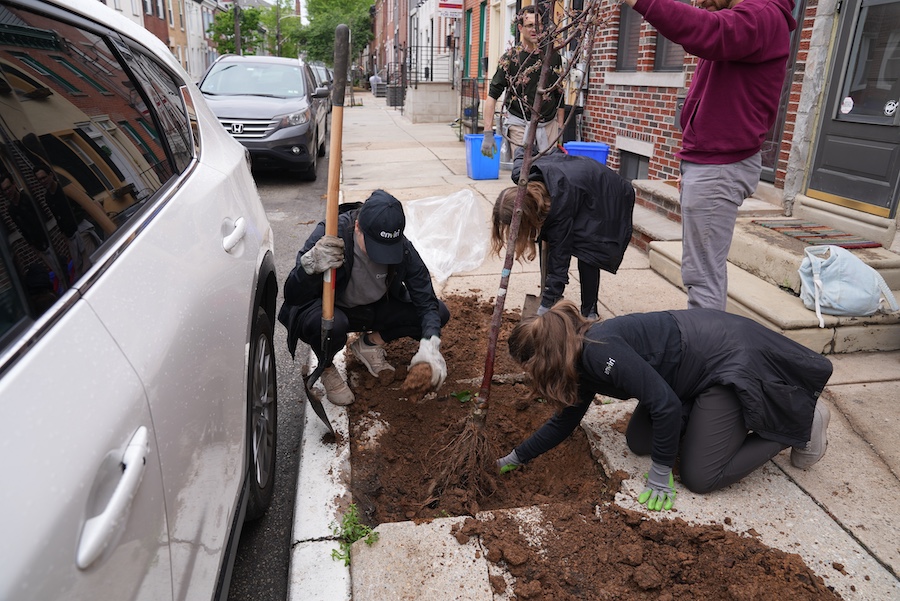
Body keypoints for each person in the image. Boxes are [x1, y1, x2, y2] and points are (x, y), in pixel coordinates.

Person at [497, 301, 833, 511]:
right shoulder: (577, 358)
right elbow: (564, 421)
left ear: (546, 359)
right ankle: (710, 420)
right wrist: (516, 457)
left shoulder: (599, 352)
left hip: (722, 363)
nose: (530, 376)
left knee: (700, 476)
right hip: (686, 376)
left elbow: (666, 406)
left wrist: (659, 474)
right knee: (640, 440)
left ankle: (800, 422)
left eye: (529, 369)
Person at [622, 0, 797, 311]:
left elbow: (708, 30)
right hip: (711, 163)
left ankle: (704, 342)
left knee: (703, 280)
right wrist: (692, 164)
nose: (700, 2)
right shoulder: (752, 19)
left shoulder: (761, 15)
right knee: (701, 274)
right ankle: (704, 336)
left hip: (720, 167)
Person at [278, 190, 450, 406]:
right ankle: (326, 366)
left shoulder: (401, 247)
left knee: (438, 313)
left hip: (371, 309)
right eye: (376, 246)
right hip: (331, 312)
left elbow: (426, 300)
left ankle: (369, 344)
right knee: (330, 325)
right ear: (358, 227)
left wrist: (430, 344)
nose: (382, 256)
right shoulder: (331, 234)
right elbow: (292, 295)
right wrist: (309, 267)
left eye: (388, 249)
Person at [491, 152, 635, 318]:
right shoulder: (521, 174)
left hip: (607, 193)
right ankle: (548, 293)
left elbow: (560, 259)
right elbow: (522, 152)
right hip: (579, 181)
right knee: (549, 235)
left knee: (588, 251)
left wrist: (546, 305)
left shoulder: (559, 209)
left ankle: (590, 312)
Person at [481, 5, 564, 159]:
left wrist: (559, 127)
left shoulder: (552, 56)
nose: (534, 29)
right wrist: (487, 132)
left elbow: (559, 94)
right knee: (524, 169)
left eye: (538, 25)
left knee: (549, 169)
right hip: (520, 125)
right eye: (529, 25)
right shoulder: (510, 59)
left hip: (548, 125)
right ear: (520, 28)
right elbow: (492, 95)